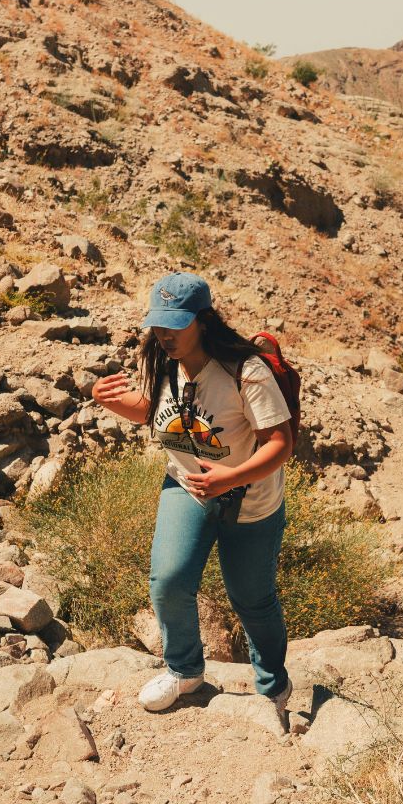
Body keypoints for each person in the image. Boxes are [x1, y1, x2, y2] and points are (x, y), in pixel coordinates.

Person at [90, 272, 295, 713]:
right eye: (159, 324)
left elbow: (281, 442)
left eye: (176, 324)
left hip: (250, 499)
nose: (164, 334)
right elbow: (151, 411)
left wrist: (230, 477)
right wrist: (105, 400)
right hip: (187, 487)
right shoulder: (164, 362)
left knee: (252, 599)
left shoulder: (246, 371)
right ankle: (184, 671)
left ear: (203, 320)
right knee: (169, 581)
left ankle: (272, 687)